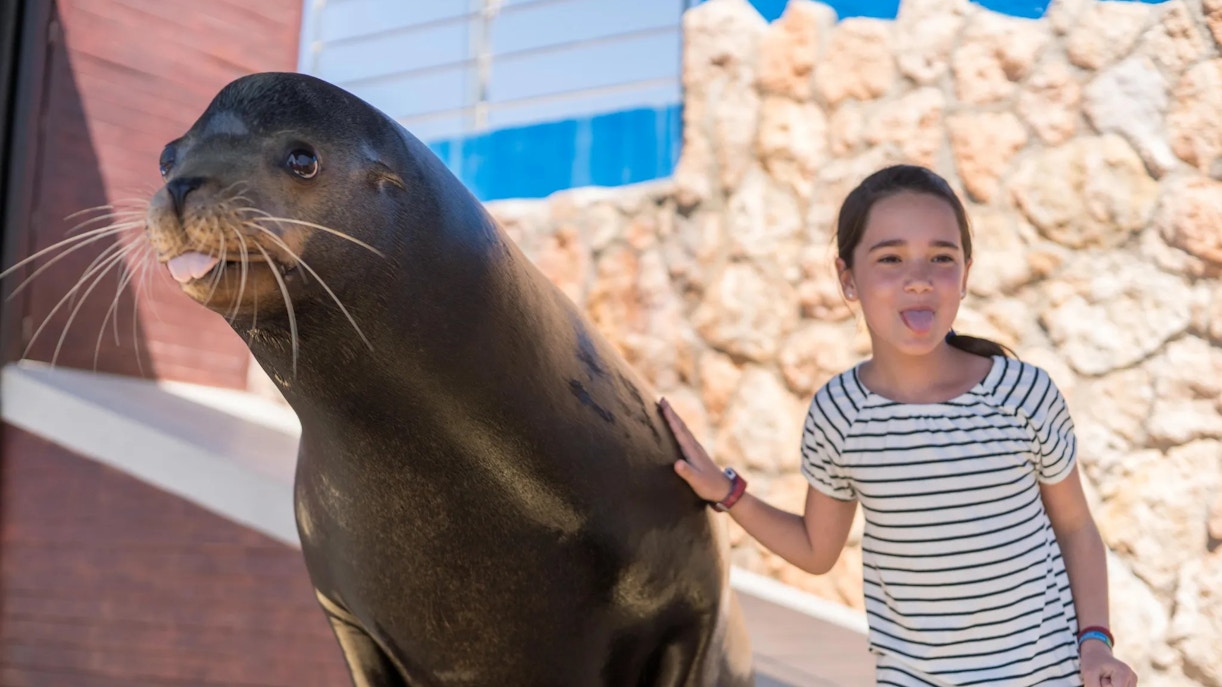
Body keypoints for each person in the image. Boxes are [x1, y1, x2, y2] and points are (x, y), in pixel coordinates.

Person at [658, 164, 1138, 687]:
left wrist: (1095, 643)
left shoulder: (1023, 393)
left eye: (941, 258)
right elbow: (818, 551)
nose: (919, 278)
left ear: (966, 274)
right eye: (890, 258)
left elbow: (1075, 528)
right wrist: (728, 493)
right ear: (848, 278)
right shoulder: (837, 413)